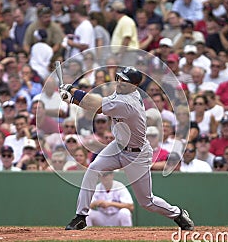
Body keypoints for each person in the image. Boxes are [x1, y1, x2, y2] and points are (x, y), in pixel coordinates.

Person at [60, 66, 194, 231]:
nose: (121, 82)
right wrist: (72, 99)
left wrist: (72, 91)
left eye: (126, 81)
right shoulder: (120, 93)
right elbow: (96, 102)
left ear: (135, 86)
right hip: (118, 146)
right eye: (120, 78)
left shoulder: (128, 103)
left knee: (147, 202)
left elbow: (96, 106)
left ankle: (178, 213)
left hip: (137, 154)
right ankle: (80, 217)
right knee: (93, 169)